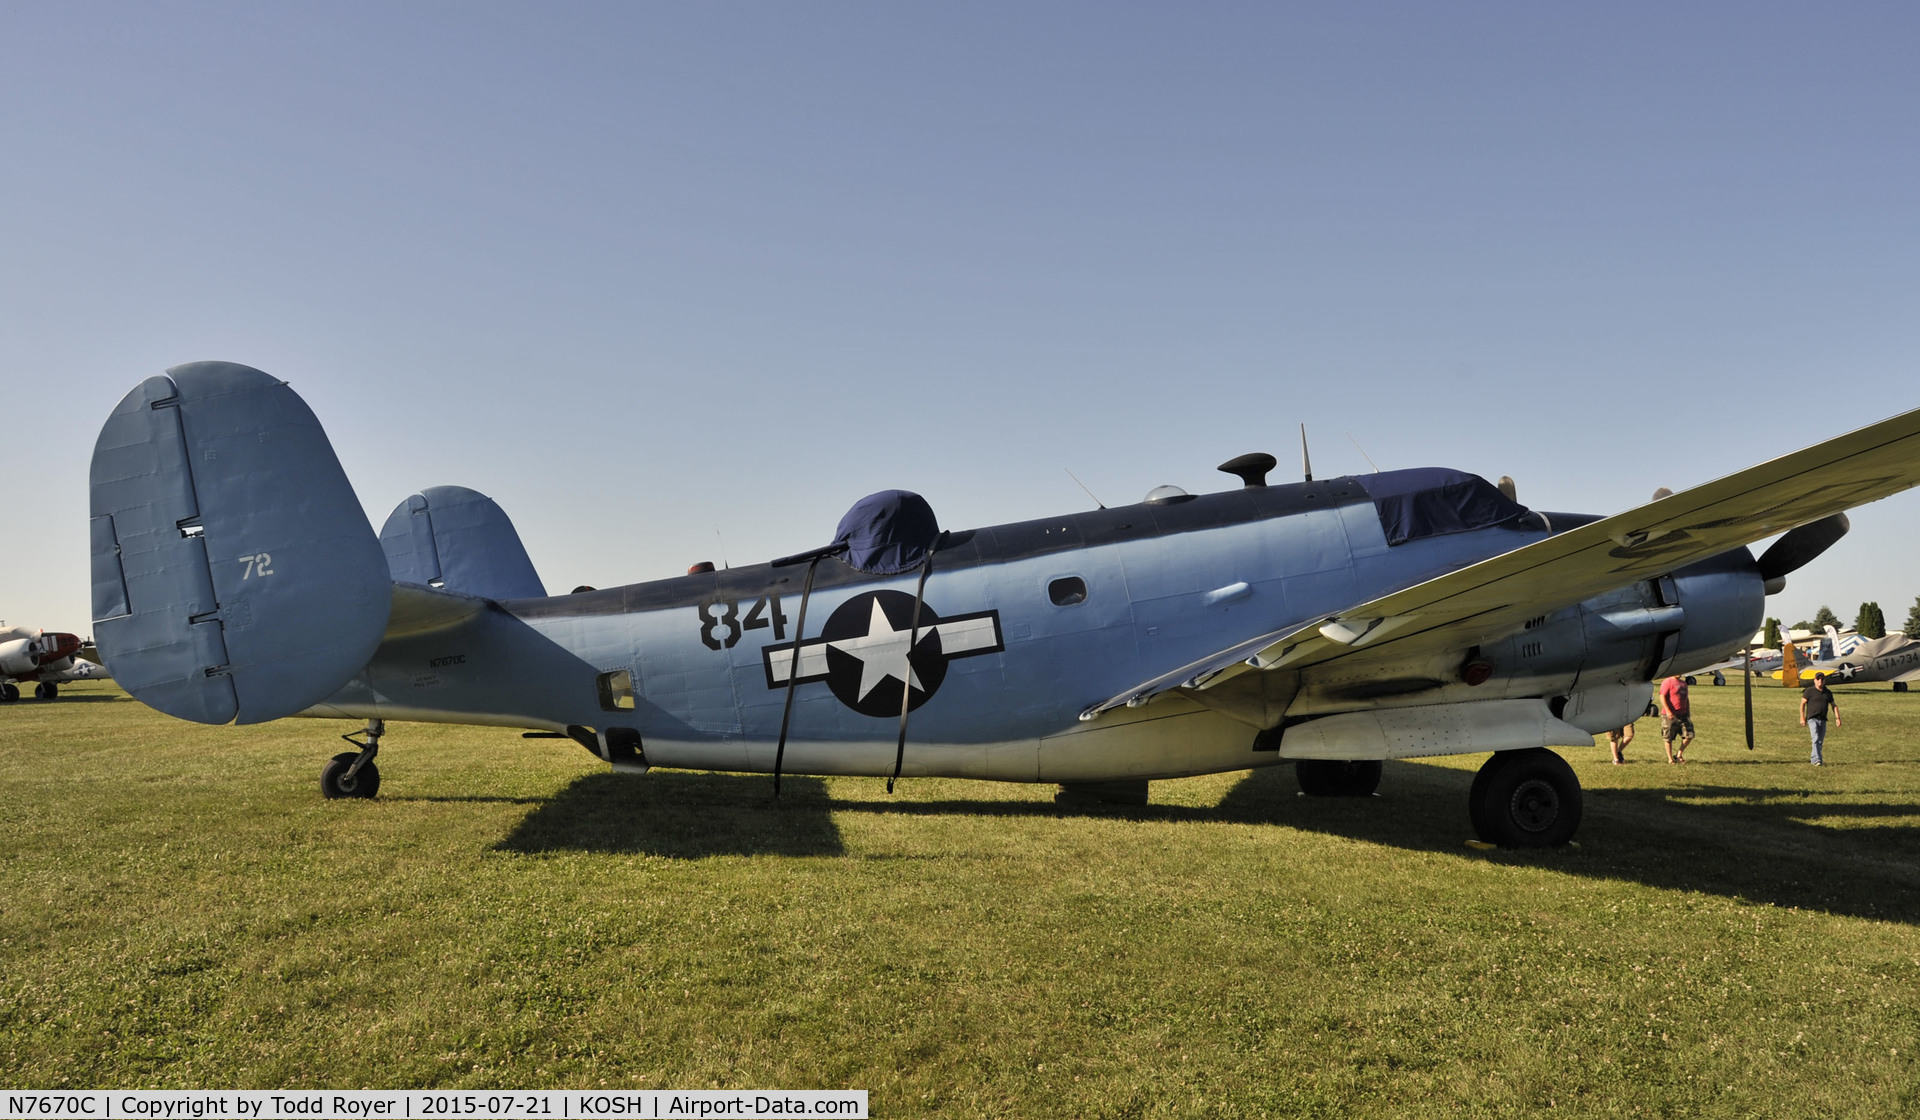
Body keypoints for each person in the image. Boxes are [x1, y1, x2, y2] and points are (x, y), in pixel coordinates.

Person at [1800, 672, 1842, 766]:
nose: (1820, 681)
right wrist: (1802, 718)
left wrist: (1838, 718)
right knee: (1815, 738)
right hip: (1812, 718)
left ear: (1824, 681)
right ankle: (1817, 760)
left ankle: (1814, 759)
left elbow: (1833, 705)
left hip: (1823, 719)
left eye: (1822, 679)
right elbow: (1802, 704)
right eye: (1818, 679)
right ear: (1814, 680)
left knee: (1820, 741)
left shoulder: (1827, 692)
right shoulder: (1809, 691)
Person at [1657, 676, 1693, 763]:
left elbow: (1686, 699)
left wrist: (1687, 711)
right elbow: (1662, 696)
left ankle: (1678, 755)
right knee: (1668, 737)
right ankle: (1670, 759)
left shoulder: (1683, 683)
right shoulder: (1667, 682)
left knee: (1689, 735)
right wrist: (1668, 711)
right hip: (1670, 715)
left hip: (1683, 714)